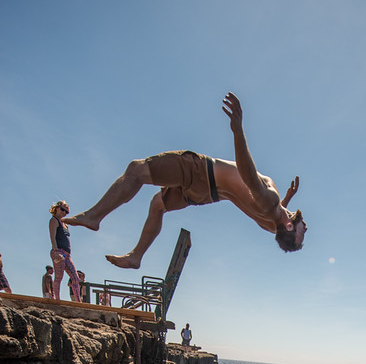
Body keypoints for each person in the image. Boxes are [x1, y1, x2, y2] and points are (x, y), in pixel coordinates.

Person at [66, 92, 306, 269]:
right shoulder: (271, 223)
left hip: (202, 172)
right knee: (157, 205)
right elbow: (267, 210)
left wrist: (237, 130)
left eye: (301, 232)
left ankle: (94, 216)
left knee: (137, 170)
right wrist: (288, 198)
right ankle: (137, 256)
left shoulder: (271, 203)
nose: (306, 229)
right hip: (206, 195)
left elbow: (249, 178)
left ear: (288, 226)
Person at [49, 201, 81, 302]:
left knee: (75, 277)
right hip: (58, 250)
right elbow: (52, 236)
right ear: (57, 208)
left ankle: (78, 300)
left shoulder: (65, 224)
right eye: (62, 209)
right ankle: (57, 299)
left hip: (67, 254)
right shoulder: (54, 220)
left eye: (66, 211)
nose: (64, 212)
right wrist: (55, 251)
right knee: (59, 276)